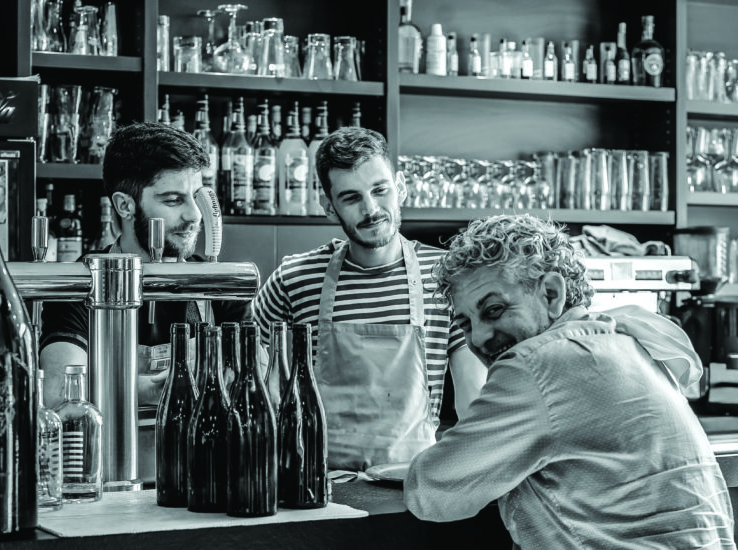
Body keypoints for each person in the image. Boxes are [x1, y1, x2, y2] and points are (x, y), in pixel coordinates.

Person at [404, 214, 736, 549]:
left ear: (551, 294)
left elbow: (430, 491)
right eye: (464, 323)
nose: (478, 337)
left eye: (494, 310)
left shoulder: (536, 362)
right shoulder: (626, 340)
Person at [252, 126, 487, 470]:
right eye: (351, 198)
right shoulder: (293, 280)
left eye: (380, 190)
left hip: (413, 483)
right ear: (328, 207)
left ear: (401, 187)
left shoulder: (446, 276)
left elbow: (474, 400)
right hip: (318, 483)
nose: (371, 209)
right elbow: (253, 385)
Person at [39, 122, 251, 408]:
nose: (194, 215)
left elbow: (256, 378)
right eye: (173, 200)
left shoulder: (217, 284)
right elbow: (58, 388)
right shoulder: (82, 284)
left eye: (196, 197)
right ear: (125, 206)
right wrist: (149, 390)